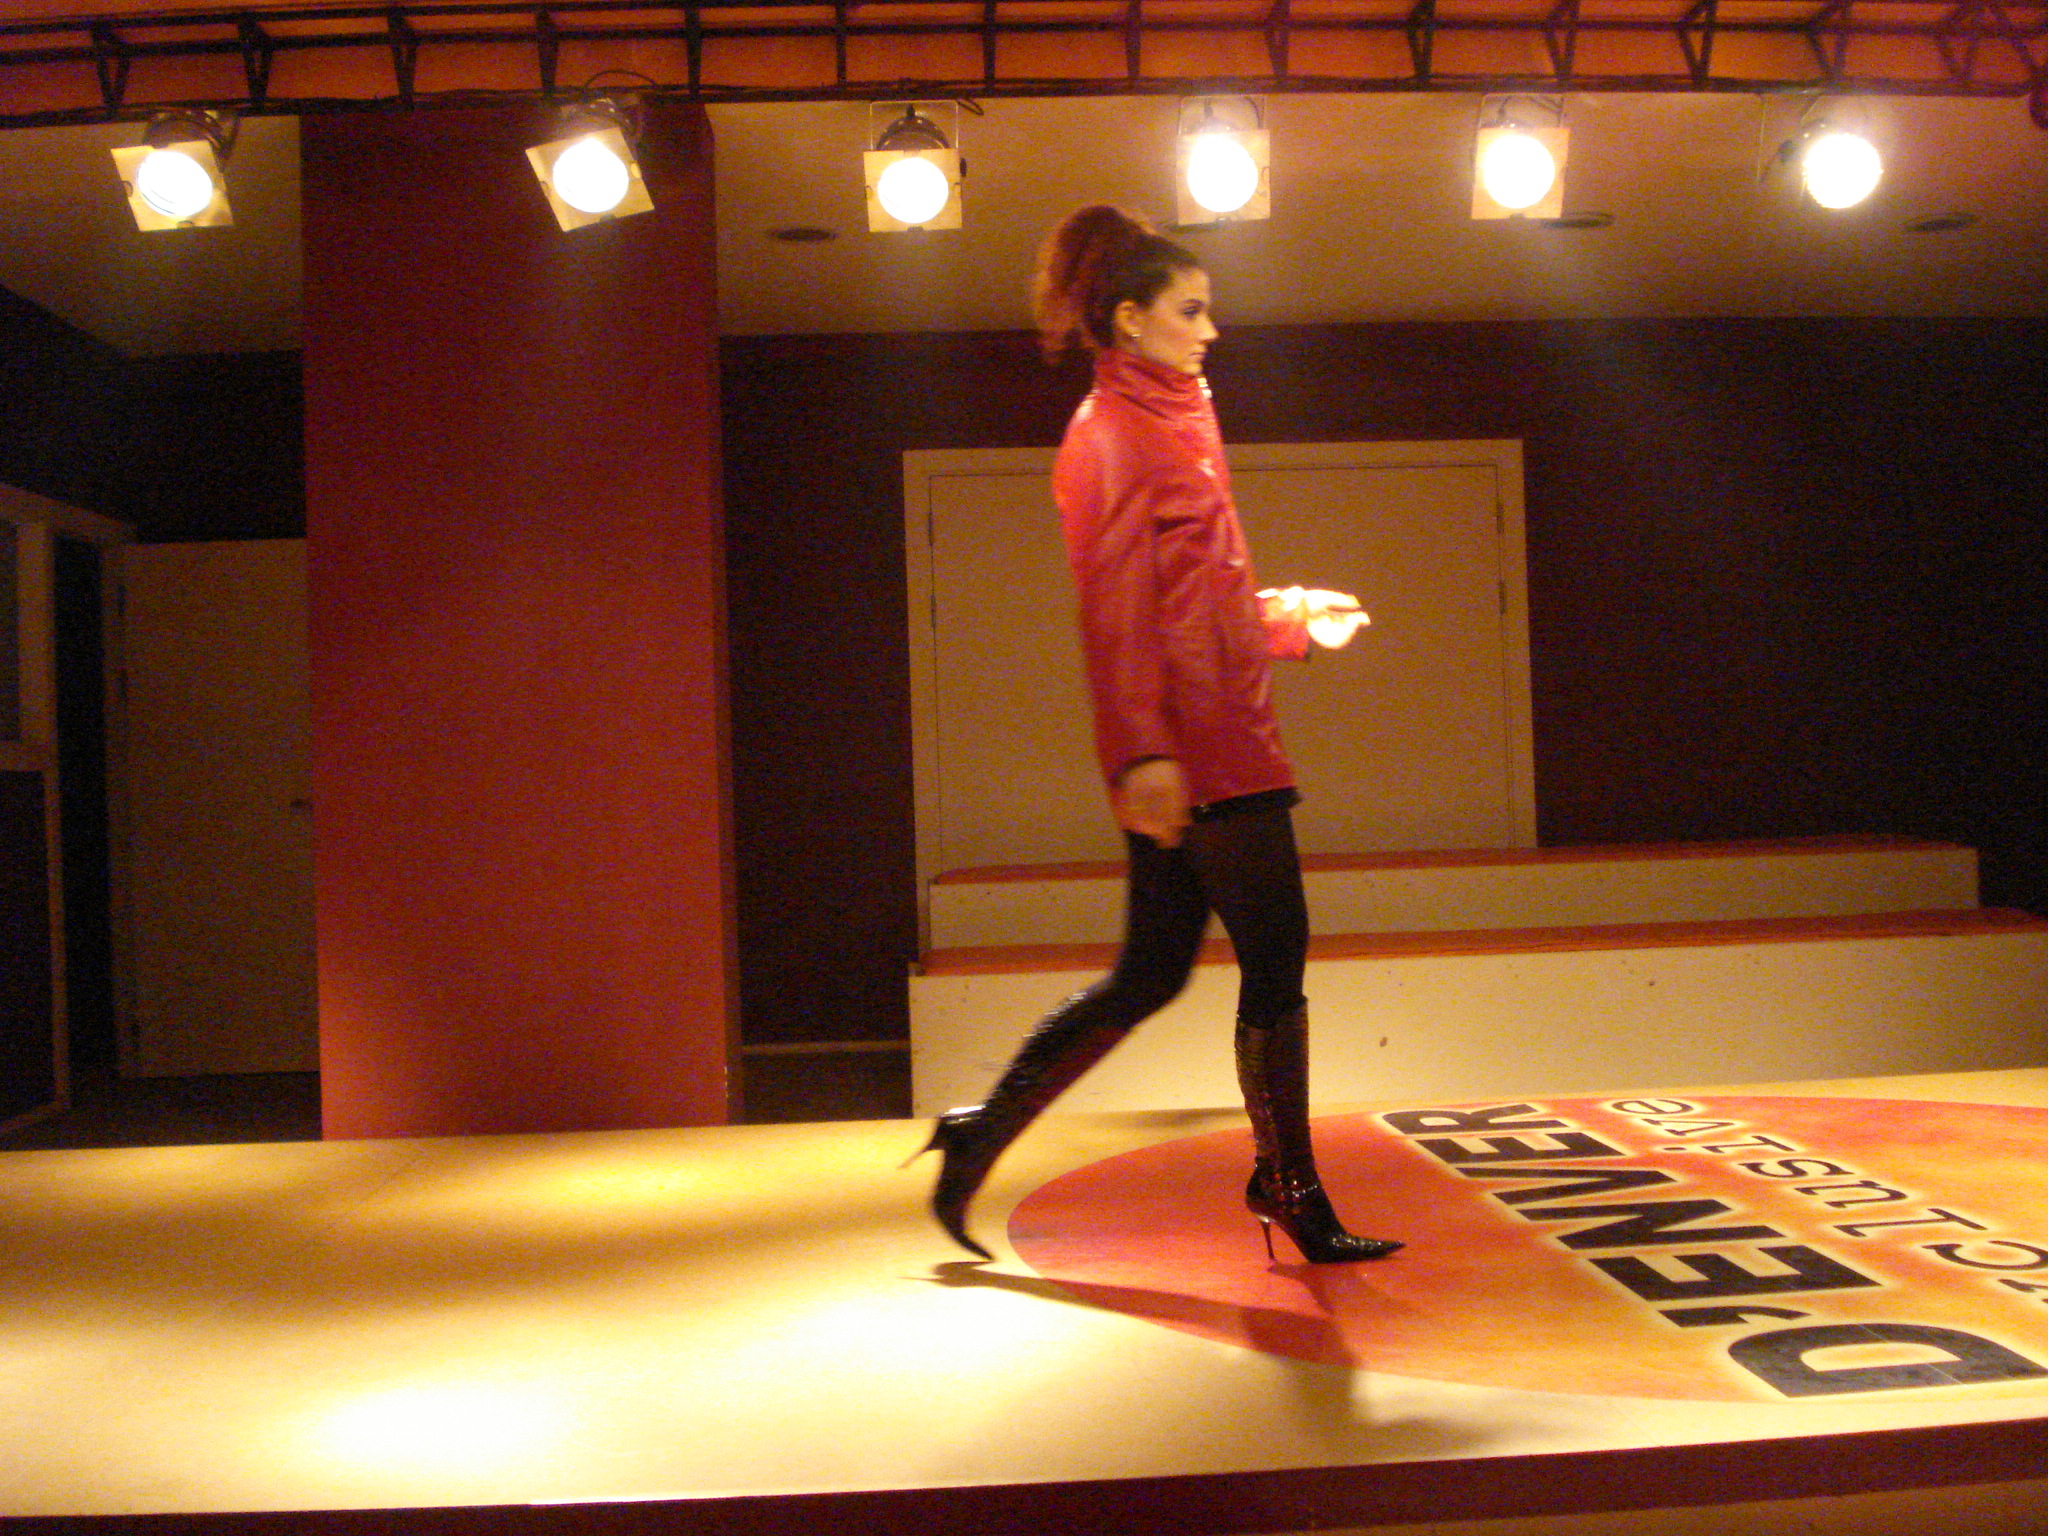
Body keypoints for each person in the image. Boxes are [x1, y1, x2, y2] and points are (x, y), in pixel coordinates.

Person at [915, 204, 1402, 1266]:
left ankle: (979, 1133)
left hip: (1210, 735)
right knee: (1273, 955)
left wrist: (1286, 619)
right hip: (1201, 751)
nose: (1209, 329)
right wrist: (1141, 753)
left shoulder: (1177, 417)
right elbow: (1115, 609)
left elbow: (1193, 600)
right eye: (1191, 310)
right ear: (1130, 319)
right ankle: (1288, 1188)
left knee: (1152, 973)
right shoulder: (1111, 434)